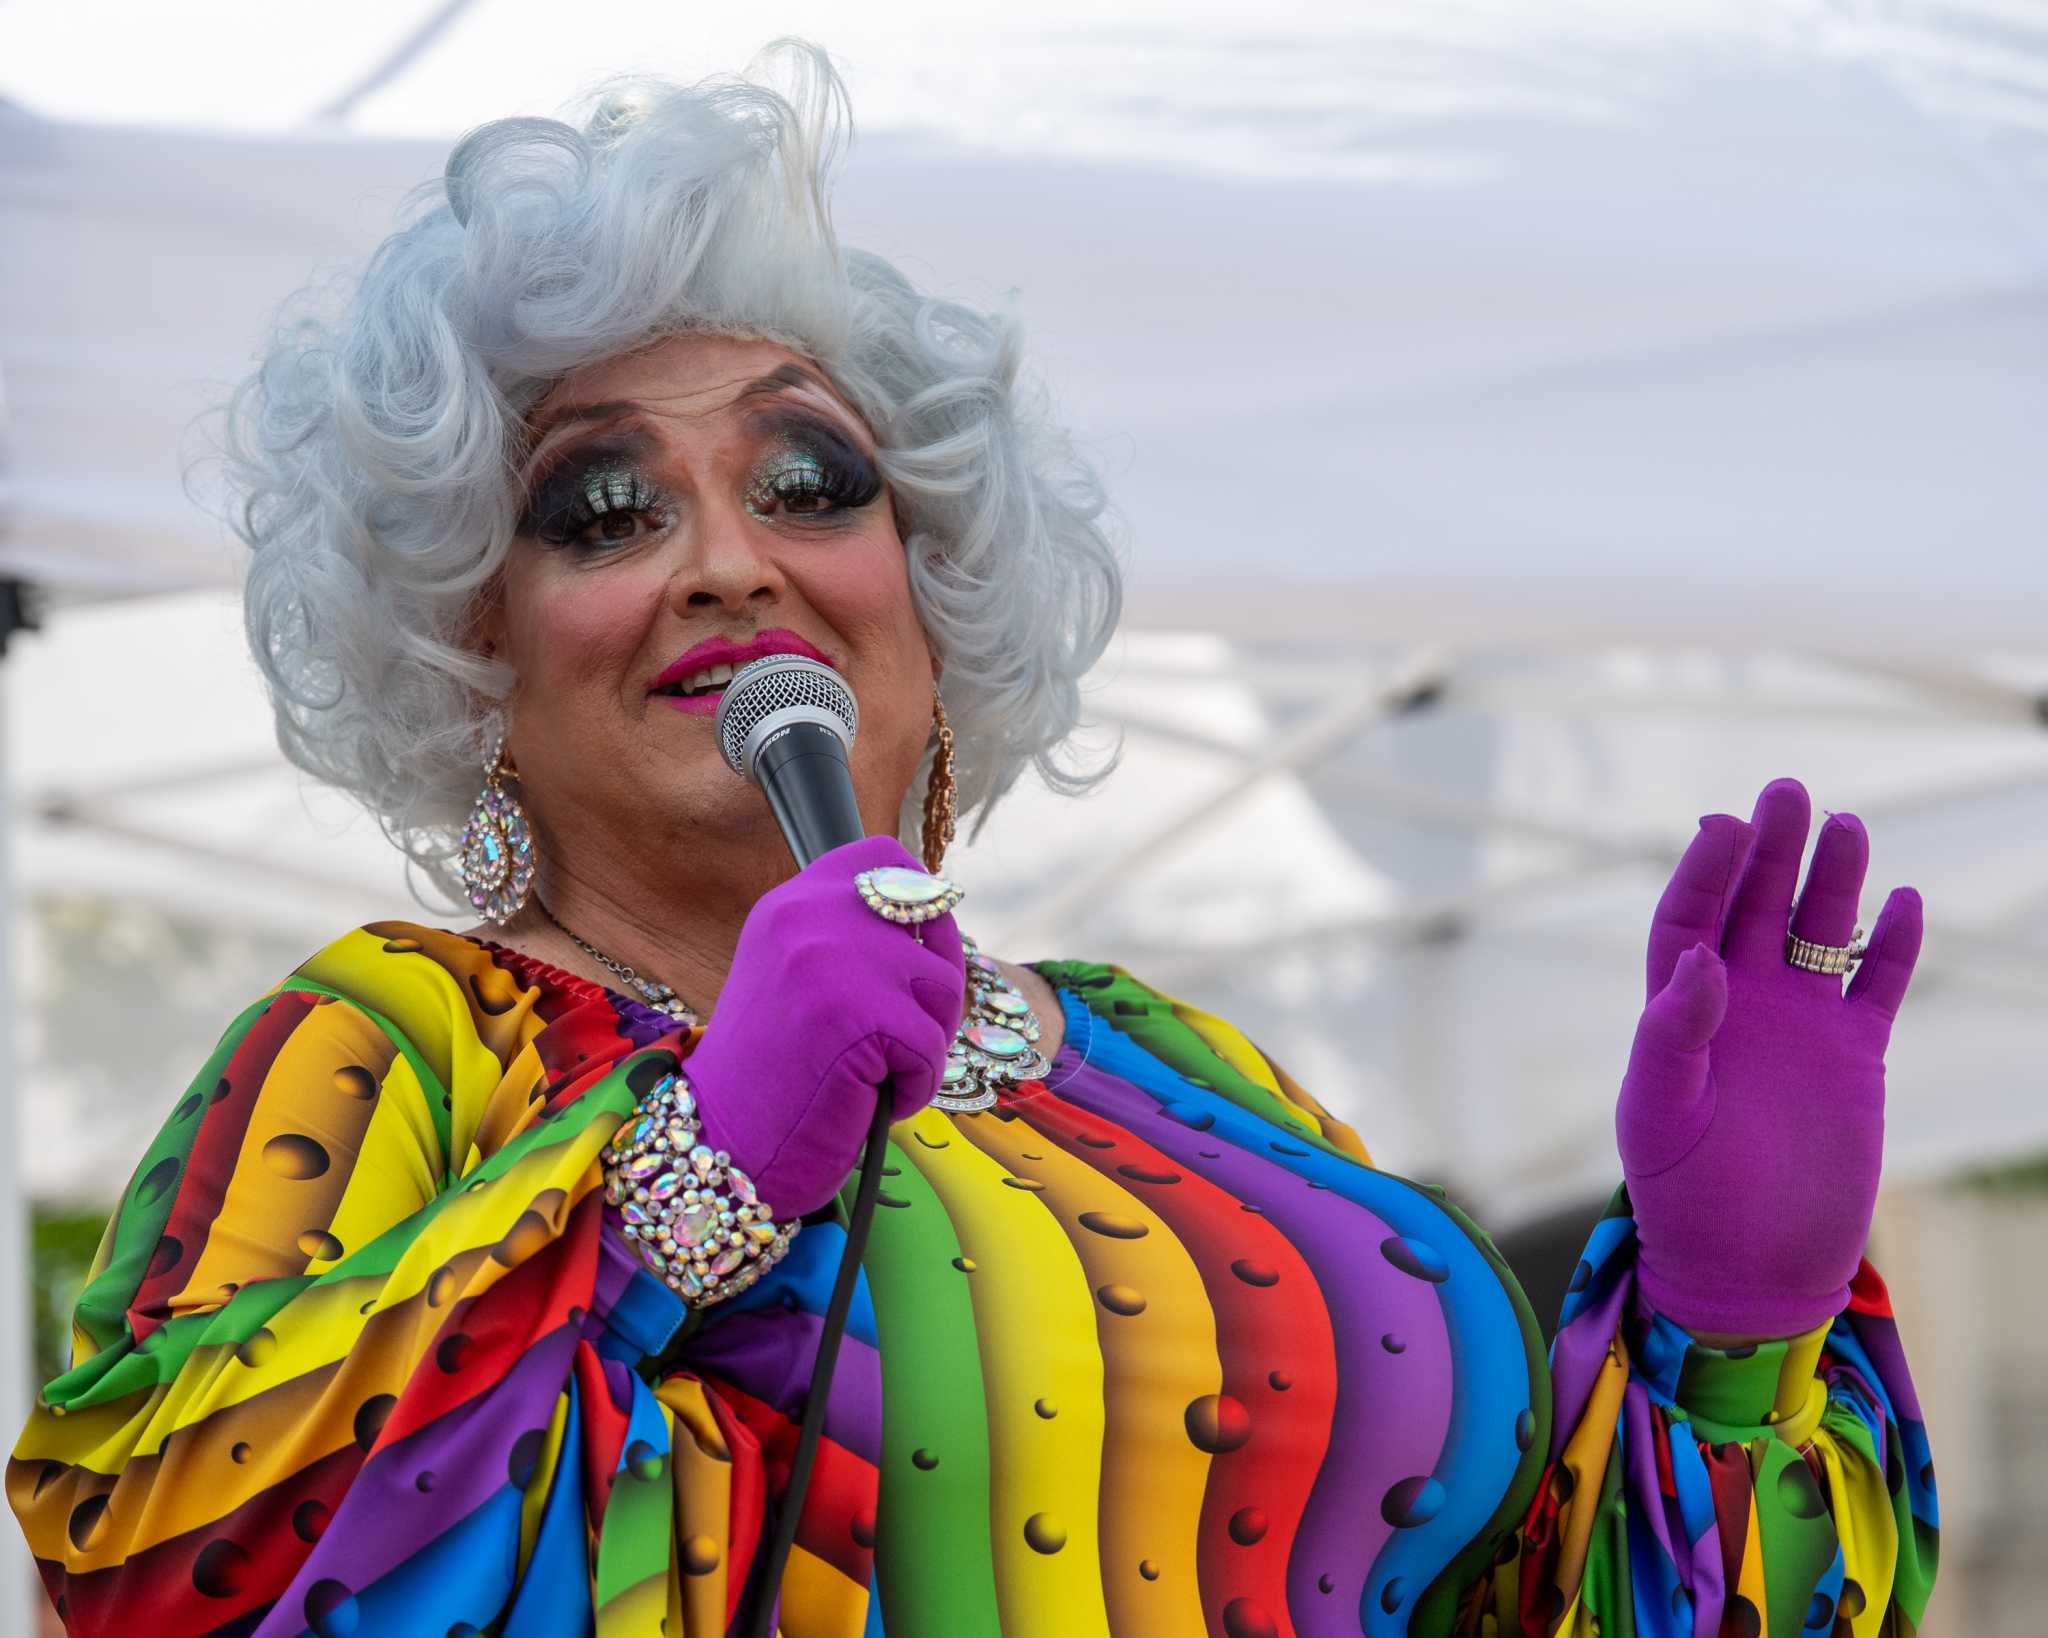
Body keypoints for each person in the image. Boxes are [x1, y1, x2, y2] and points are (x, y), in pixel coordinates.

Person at [7, 41, 1937, 1638]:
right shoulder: (391, 1049)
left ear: (928, 597)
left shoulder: (1174, 1065)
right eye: (601, 508)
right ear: (471, 652)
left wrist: (1728, 1339)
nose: (730, 559)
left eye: (808, 477)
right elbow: (167, 1560)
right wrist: (698, 1177)